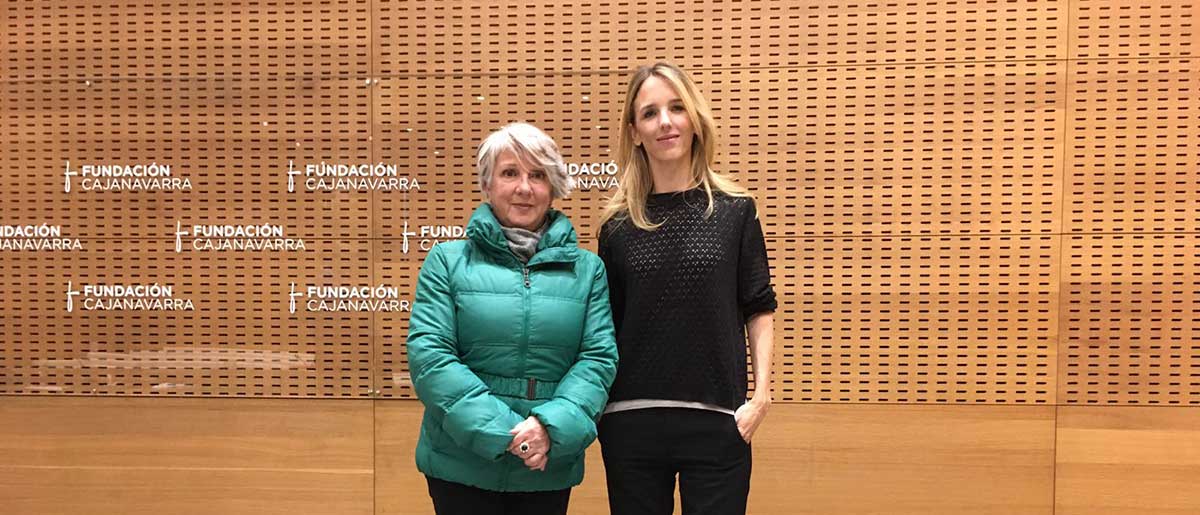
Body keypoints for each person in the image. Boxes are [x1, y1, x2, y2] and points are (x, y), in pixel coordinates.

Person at [406, 122, 618, 515]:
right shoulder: (447, 262)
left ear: (553, 187)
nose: (524, 187)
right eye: (509, 173)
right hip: (460, 465)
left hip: (546, 466)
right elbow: (431, 358)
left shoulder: (589, 271)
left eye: (537, 175)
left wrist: (546, 430)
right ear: (487, 185)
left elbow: (598, 360)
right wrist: (510, 435)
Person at [597, 62, 778, 515]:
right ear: (635, 131)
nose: (665, 122)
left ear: (694, 118)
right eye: (650, 112)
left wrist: (760, 397)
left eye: (677, 107)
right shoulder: (616, 226)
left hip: (718, 420)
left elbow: (758, 307)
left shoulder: (737, 212)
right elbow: (605, 326)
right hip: (631, 421)